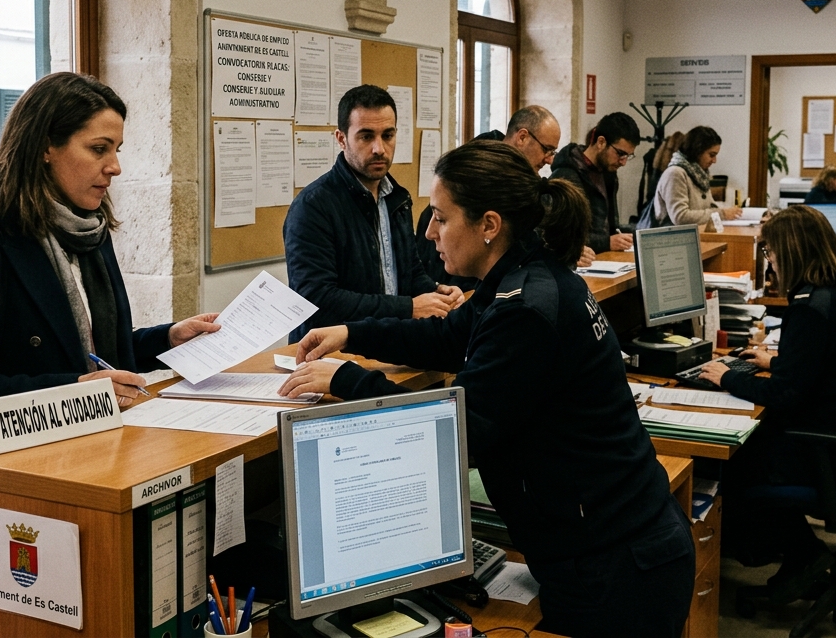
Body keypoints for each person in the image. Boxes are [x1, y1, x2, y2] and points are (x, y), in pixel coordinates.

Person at [279, 141, 695, 637]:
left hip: (617, 565)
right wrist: (352, 334)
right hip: (607, 544)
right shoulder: (520, 276)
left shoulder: (525, 308)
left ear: (489, 225)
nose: (429, 233)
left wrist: (346, 379)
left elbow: (458, 429)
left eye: (441, 218)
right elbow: (446, 337)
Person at [0, 72, 221, 429]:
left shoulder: (90, 233)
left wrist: (168, 338)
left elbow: (95, 351)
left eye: (116, 150)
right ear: (45, 147)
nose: (115, 167)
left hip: (101, 436)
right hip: (22, 452)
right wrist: (76, 390)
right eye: (99, 149)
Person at [697, 204, 836, 599]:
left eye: (769, 252)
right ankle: (796, 552)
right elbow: (822, 366)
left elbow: (784, 394)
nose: (769, 263)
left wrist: (727, 376)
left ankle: (796, 552)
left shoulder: (810, 308)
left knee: (732, 460)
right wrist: (777, 361)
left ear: (789, 253)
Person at [284, 84, 463, 341]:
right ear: (341, 139)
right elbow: (316, 300)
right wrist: (408, 308)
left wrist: (436, 292)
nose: (379, 148)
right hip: (330, 352)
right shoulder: (313, 207)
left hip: (386, 341)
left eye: (387, 135)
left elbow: (409, 273)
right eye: (366, 137)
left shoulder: (397, 198)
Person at [416, 106, 594, 286]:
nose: (550, 160)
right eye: (546, 149)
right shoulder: (474, 178)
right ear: (522, 137)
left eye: (552, 152)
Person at [551, 112, 641, 253]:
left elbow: (609, 227)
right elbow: (559, 236)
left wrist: (637, 233)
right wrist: (607, 242)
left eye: (628, 156)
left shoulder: (609, 173)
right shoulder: (566, 175)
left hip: (603, 260)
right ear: (601, 142)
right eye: (620, 153)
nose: (623, 162)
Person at [651, 125, 743, 226]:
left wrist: (727, 212)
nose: (714, 160)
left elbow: (707, 208)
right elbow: (680, 217)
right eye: (711, 155)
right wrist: (722, 214)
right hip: (674, 235)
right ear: (697, 151)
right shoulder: (675, 173)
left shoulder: (700, 175)